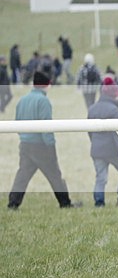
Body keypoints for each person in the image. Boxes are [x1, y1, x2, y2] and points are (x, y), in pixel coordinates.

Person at [8, 71, 81, 210]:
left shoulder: (22, 100)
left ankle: (13, 203)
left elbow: (17, 122)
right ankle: (65, 202)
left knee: (22, 175)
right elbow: (46, 126)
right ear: (46, 85)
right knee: (55, 175)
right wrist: (51, 146)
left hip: (25, 144)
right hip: (41, 146)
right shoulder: (43, 101)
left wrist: (24, 137)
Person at [88, 77, 118, 207]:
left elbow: (89, 131)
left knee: (101, 178)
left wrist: (94, 143)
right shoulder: (114, 110)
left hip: (97, 150)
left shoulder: (92, 108)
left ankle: (99, 202)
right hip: (112, 151)